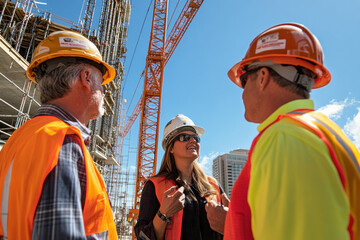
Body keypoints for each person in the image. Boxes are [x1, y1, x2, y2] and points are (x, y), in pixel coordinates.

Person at [224, 23, 360, 240]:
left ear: (262, 77)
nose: (241, 91)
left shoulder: (284, 139)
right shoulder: (320, 131)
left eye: (243, 79)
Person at [0, 31, 118, 239]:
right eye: (101, 83)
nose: (103, 92)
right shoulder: (62, 141)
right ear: (86, 78)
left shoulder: (18, 139)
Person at [134, 114, 229, 240]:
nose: (193, 140)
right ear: (171, 147)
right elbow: (142, 237)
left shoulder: (213, 185)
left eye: (196, 137)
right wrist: (163, 215)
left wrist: (231, 219)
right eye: (184, 137)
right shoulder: (155, 186)